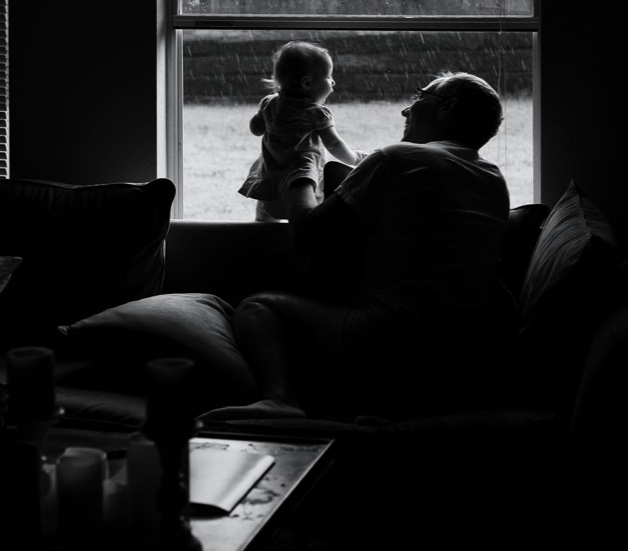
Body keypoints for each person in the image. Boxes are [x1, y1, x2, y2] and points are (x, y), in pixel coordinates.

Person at [206, 71, 514, 423]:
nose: (406, 111)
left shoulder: (397, 159)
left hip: (392, 343)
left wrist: (300, 167)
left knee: (257, 307)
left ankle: (280, 401)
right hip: (463, 359)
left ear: (448, 108)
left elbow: (307, 236)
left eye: (419, 97)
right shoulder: (493, 178)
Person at [238, 40, 363, 222]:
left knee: (263, 224)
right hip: (300, 180)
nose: (333, 81)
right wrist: (355, 158)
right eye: (328, 77)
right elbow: (334, 144)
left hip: (271, 180)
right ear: (306, 83)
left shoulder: (269, 103)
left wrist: (265, 116)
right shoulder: (317, 113)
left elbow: (255, 129)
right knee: (304, 226)